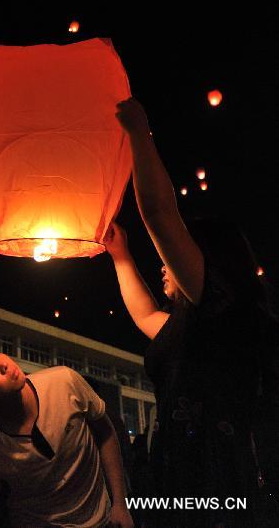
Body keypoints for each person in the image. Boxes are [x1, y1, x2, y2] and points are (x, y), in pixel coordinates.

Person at [103, 97, 279, 526]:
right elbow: (146, 318)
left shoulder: (222, 307)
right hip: (178, 471)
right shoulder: (195, 324)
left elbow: (161, 215)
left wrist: (138, 132)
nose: (165, 262)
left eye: (176, 253)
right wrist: (120, 255)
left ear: (209, 259)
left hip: (214, 479)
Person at [0, 343, 134, 527]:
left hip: (102, 520)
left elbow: (105, 432)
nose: (1, 363)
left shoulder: (64, 381)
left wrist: (121, 504)